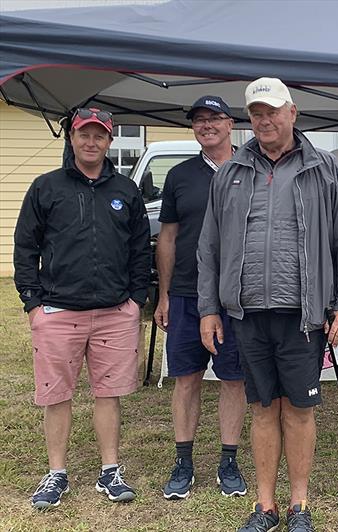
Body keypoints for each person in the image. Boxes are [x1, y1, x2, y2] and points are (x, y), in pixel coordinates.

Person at [196, 77, 338, 532]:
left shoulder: (325, 169)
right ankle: (265, 506)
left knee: (299, 409)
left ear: (293, 113)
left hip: (303, 315)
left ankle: (300, 505)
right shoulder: (231, 173)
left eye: (272, 111)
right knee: (261, 408)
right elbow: (208, 247)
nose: (264, 120)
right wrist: (209, 308)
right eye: (256, 113)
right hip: (248, 314)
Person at [14, 108, 150, 509]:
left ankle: (110, 471)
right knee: (57, 395)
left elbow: (140, 249)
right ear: (71, 138)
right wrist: (33, 303)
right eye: (83, 134)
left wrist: (135, 300)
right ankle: (56, 473)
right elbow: (26, 248)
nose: (91, 142)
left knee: (108, 394)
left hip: (114, 312)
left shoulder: (125, 191)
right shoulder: (46, 187)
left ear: (109, 141)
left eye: (100, 136)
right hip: (58, 312)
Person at [154, 96, 248, 500]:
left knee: (233, 380)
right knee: (186, 379)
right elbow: (168, 238)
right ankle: (184, 460)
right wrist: (163, 295)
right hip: (186, 295)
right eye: (199, 120)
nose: (206, 125)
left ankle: (229, 460)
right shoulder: (179, 175)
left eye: (214, 118)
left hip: (236, 297)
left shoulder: (252, 167)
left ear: (230, 124)